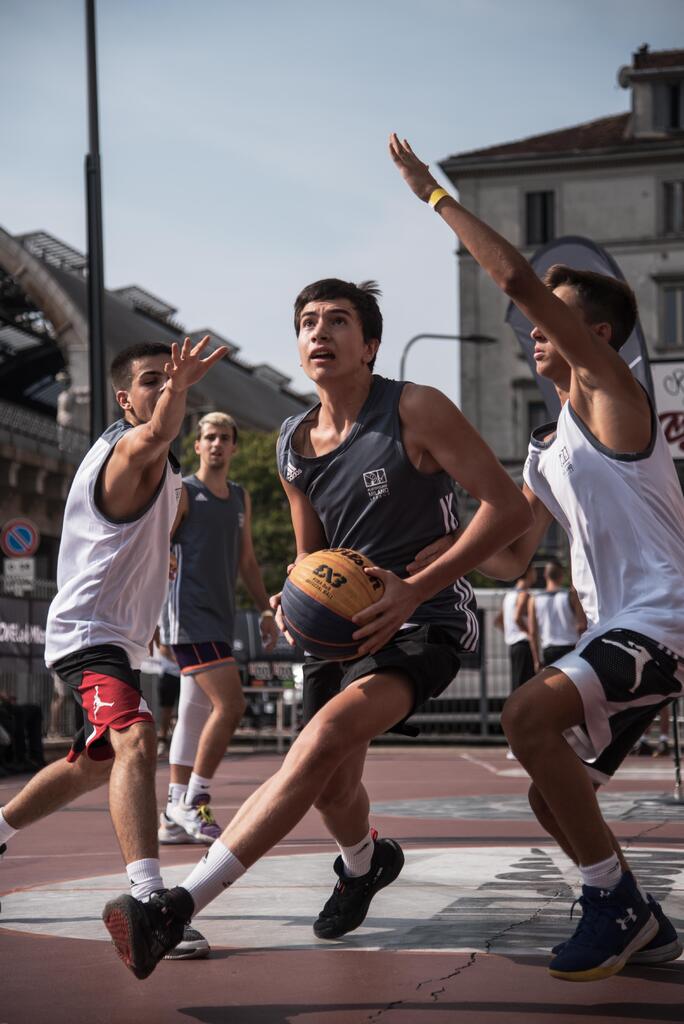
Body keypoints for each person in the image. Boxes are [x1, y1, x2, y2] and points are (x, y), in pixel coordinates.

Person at [101, 275, 532, 978]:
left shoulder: (415, 408)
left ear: (369, 345)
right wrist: (292, 593)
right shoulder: (291, 442)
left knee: (322, 738)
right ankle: (364, 863)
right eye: (307, 322)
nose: (319, 332)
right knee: (331, 786)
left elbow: (507, 510)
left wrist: (415, 587)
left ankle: (176, 907)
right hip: (339, 628)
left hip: (422, 619)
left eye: (337, 320)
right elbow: (312, 552)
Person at [387, 134, 684, 981]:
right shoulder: (548, 446)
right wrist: (425, 564)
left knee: (524, 717)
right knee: (551, 796)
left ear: (595, 334)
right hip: (625, 629)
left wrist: (434, 195)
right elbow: (513, 553)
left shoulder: (616, 392)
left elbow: (516, 281)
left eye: (549, 317)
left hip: (665, 617)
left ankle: (612, 904)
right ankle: (645, 921)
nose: (528, 328)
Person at [0, 337, 227, 970]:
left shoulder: (166, 472)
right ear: (124, 400)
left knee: (92, 763)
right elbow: (155, 436)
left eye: (172, 379)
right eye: (153, 380)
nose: (167, 385)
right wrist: (178, 393)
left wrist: (149, 590)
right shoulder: (129, 450)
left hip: (116, 636)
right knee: (136, 736)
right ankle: (151, 901)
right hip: (87, 634)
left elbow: (148, 533)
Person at [158, 411, 278, 845]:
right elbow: (157, 544)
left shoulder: (240, 496)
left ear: (234, 447)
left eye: (224, 437)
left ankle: (172, 814)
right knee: (231, 705)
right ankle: (194, 800)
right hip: (188, 614)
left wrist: (266, 610)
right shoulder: (185, 492)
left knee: (193, 712)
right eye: (209, 437)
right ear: (197, 445)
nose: (216, 444)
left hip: (220, 616)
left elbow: (247, 560)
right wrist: (152, 610)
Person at [494, 565, 536, 759]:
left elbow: (498, 621)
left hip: (513, 645)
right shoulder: (523, 595)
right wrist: (529, 634)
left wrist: (509, 634)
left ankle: (516, 743)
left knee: (517, 691)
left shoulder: (508, 595)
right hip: (523, 645)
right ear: (529, 573)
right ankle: (517, 744)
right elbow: (518, 616)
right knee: (524, 695)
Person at [528, 561, 586, 670]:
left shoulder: (534, 599)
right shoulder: (570, 595)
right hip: (570, 648)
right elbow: (581, 625)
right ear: (561, 575)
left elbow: (532, 632)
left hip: (548, 650)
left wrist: (536, 660)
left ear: (545, 575)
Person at [154, 641, 181, 758]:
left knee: (186, 710)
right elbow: (163, 648)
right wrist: (182, 661)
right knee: (166, 710)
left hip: (187, 675)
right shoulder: (167, 629)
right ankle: (162, 741)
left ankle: (181, 741)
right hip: (169, 674)